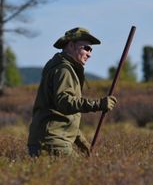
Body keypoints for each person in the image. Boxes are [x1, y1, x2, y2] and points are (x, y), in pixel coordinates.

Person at [27, 27, 117, 157]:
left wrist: (83, 145)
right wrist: (99, 104)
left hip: (46, 139)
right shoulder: (64, 70)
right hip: (53, 141)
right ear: (71, 45)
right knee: (82, 175)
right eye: (86, 48)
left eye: (91, 50)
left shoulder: (60, 67)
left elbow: (63, 117)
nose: (89, 54)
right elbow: (64, 103)